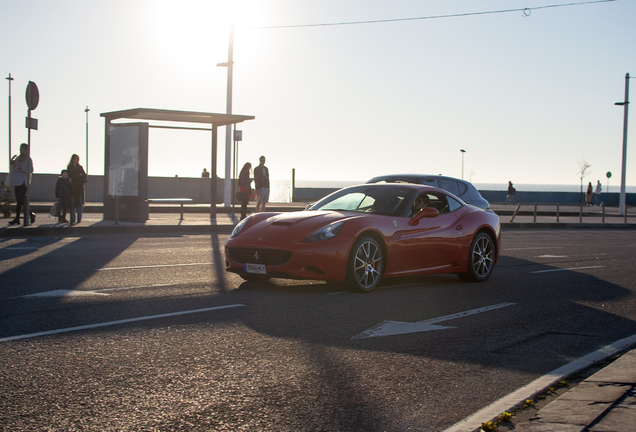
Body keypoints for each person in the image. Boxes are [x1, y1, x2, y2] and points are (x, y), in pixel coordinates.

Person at [8, 143, 35, 225]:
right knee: (18, 201)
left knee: (22, 199)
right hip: (17, 181)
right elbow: (14, 167)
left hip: (23, 182)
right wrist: (12, 163)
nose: (20, 150)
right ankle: (17, 218)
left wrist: (22, 168)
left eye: (22, 148)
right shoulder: (19, 158)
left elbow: (31, 169)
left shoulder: (28, 159)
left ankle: (31, 214)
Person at [67, 154, 87, 225]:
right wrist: (79, 176)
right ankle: (73, 218)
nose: (77, 160)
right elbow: (71, 176)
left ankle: (79, 218)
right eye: (76, 159)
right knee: (73, 204)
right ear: (72, 159)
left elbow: (84, 175)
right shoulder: (70, 167)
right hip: (73, 187)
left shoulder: (80, 167)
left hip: (79, 187)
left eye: (78, 159)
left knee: (80, 203)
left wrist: (78, 176)